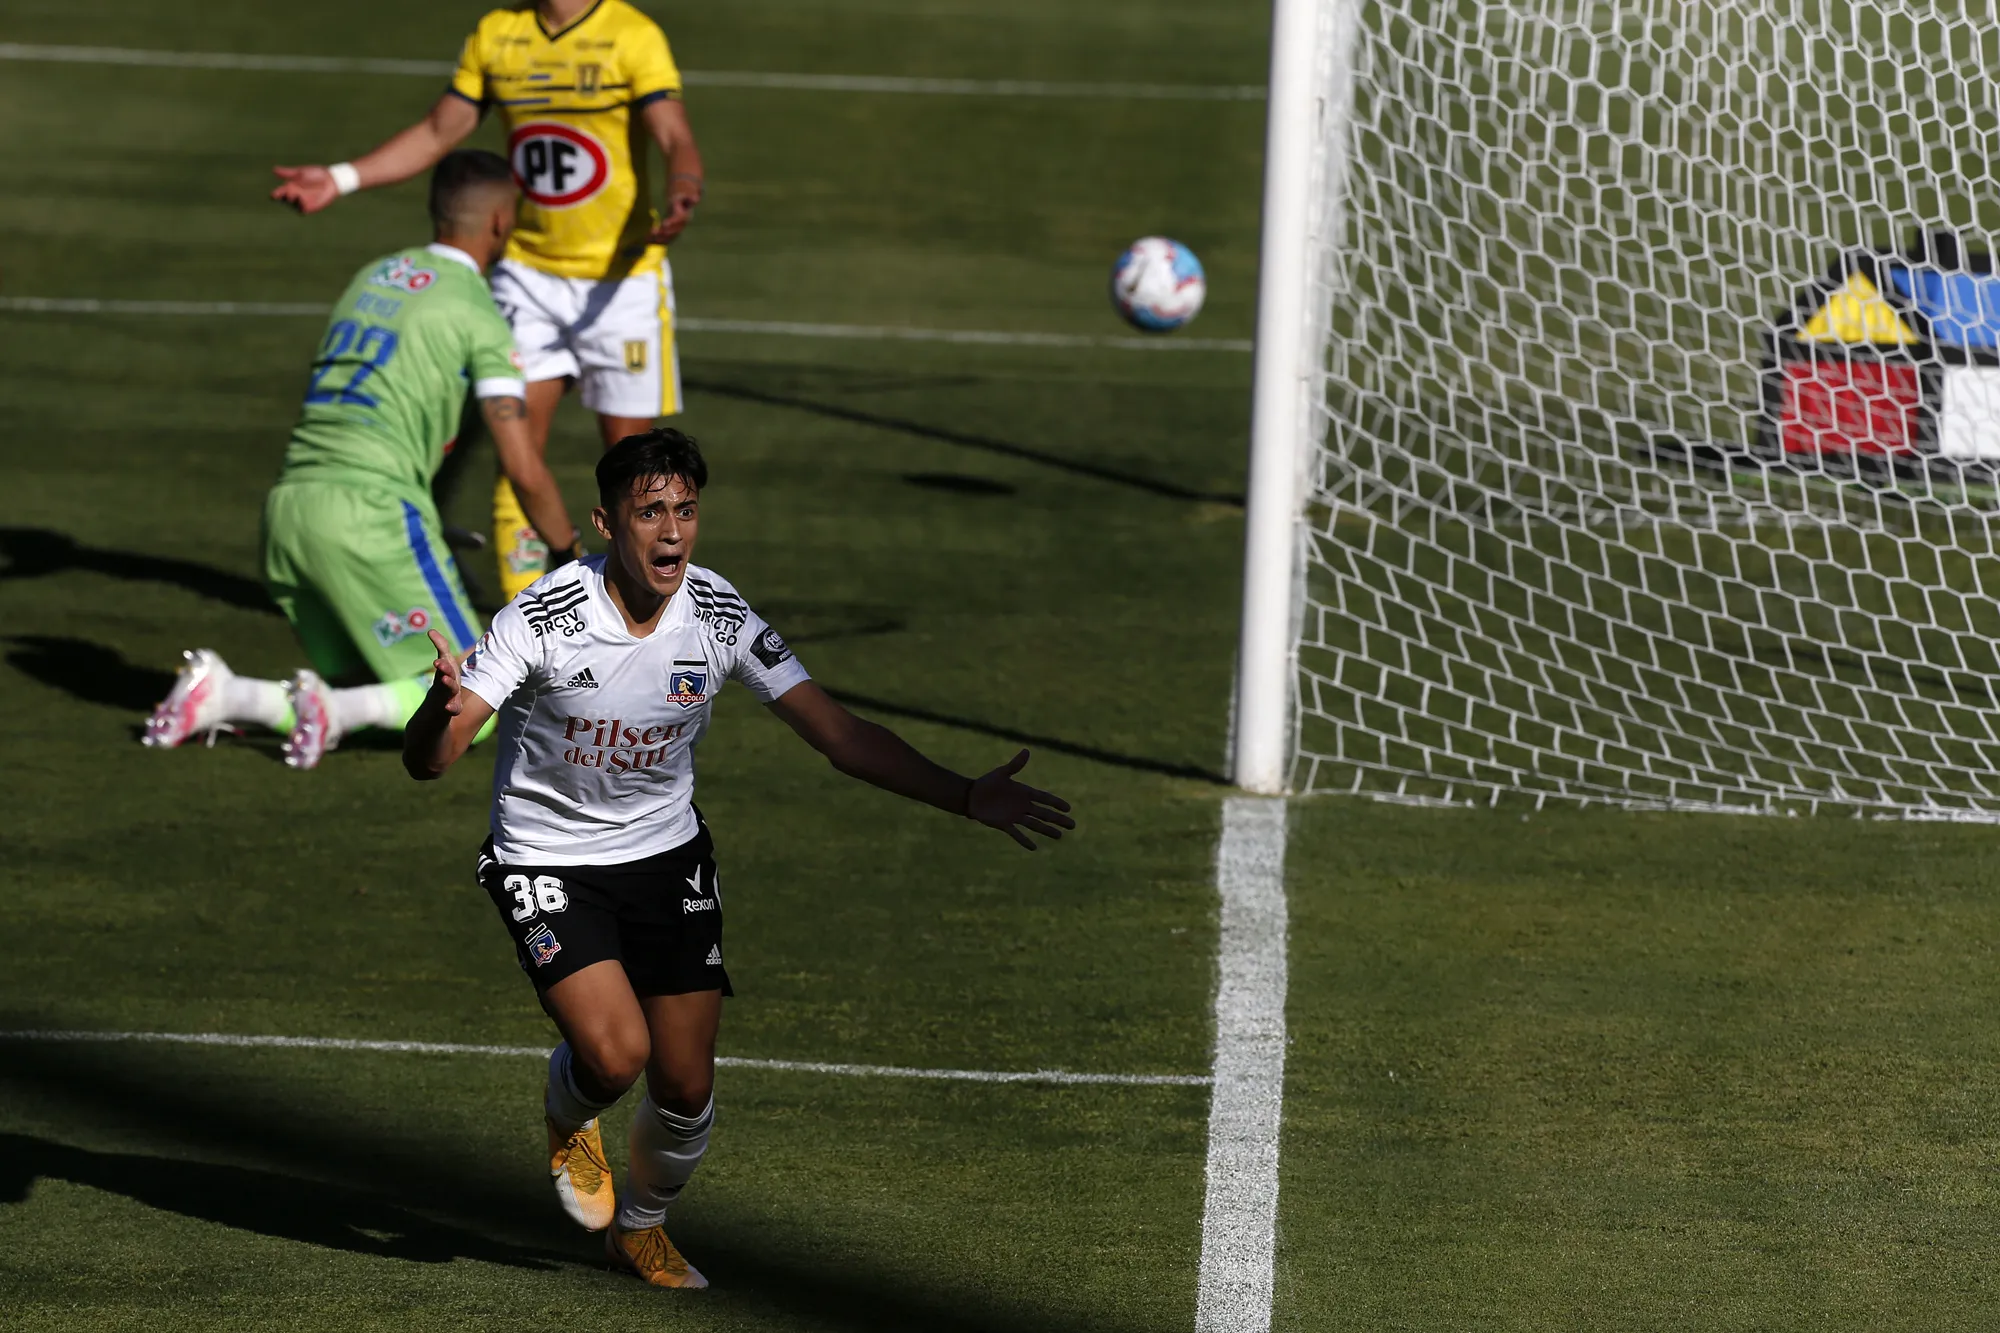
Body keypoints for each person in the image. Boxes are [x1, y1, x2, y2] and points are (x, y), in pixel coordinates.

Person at [402, 429, 1073, 1288]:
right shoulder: (542, 618)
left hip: (666, 855)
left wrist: (966, 794)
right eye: (651, 511)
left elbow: (838, 734)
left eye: (685, 511)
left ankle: (640, 1228)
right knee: (616, 1056)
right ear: (606, 523)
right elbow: (433, 760)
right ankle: (570, 1111)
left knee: (685, 1087)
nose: (672, 532)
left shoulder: (718, 616)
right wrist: (437, 710)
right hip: (547, 857)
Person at [144, 151, 584, 770]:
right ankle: (328, 709)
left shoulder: (373, 276)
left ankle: (226, 694)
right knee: (472, 701)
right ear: (500, 222)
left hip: (289, 515)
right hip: (371, 514)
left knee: (376, 690)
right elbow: (522, 463)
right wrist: (569, 558)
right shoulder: (477, 311)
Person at [270, 0, 706, 603]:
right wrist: (341, 177)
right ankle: (533, 614)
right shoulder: (499, 35)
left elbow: (674, 135)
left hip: (622, 280)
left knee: (637, 471)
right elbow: (438, 131)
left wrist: (683, 187)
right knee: (518, 456)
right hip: (527, 275)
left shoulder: (631, 35)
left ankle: (640, 611)